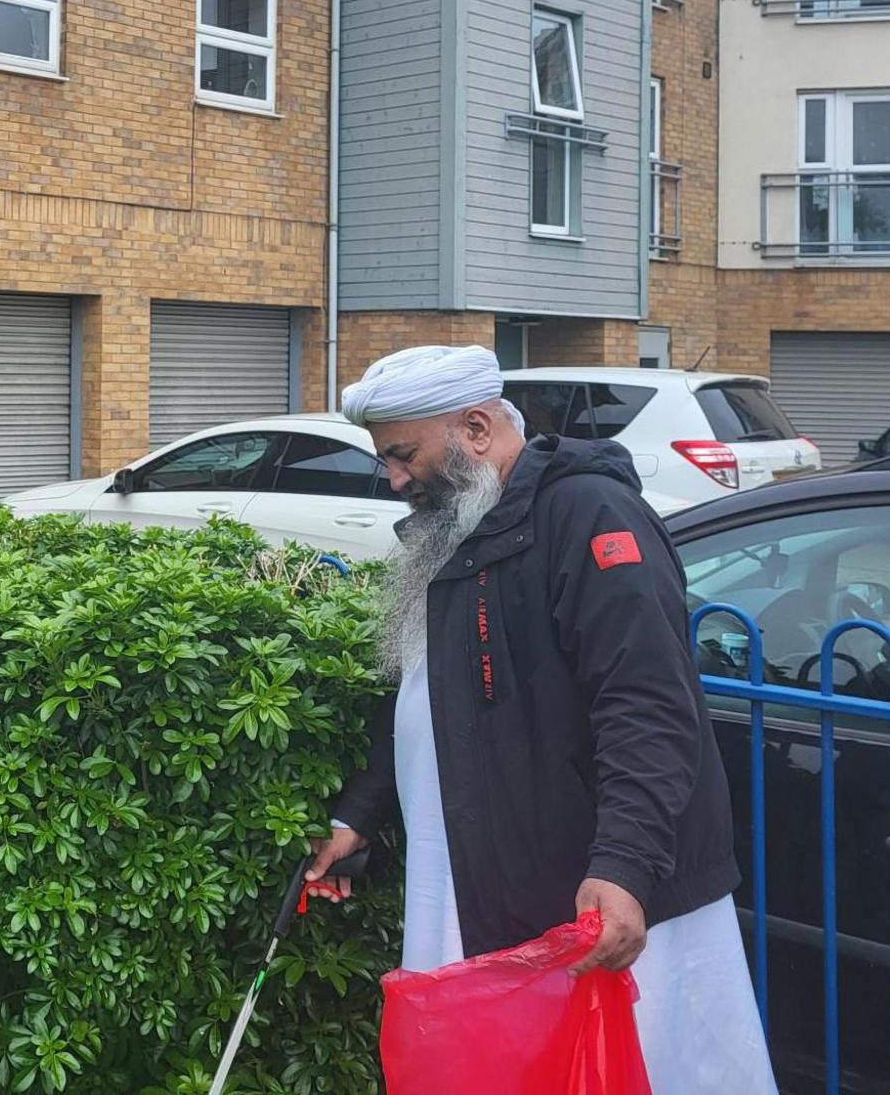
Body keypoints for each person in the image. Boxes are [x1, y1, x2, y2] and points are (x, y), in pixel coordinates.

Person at [305, 344, 774, 1092]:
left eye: (403, 455)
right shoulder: (458, 519)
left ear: (478, 429)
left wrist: (623, 866)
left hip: (602, 889)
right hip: (478, 872)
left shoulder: (591, 515)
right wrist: (359, 814)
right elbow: (422, 693)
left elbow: (647, 705)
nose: (393, 479)